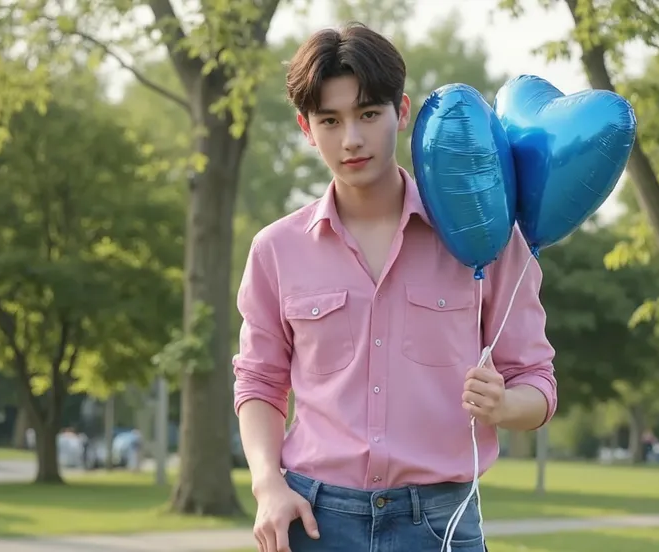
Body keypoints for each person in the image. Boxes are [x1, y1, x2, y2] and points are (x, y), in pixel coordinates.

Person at [233, 22, 557, 552]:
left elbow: (538, 383)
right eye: (330, 121)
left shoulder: (487, 236)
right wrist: (267, 484)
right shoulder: (275, 250)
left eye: (368, 114)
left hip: (440, 524)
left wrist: (504, 405)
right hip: (314, 520)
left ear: (401, 112)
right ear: (305, 127)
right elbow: (260, 382)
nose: (352, 139)